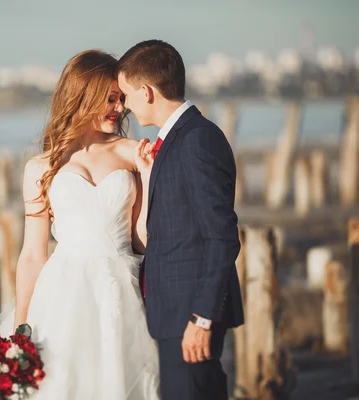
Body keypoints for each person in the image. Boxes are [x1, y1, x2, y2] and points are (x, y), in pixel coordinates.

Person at [0, 49, 160, 400]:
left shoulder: (133, 153)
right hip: (63, 290)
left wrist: (147, 173)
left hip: (120, 291)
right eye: (110, 100)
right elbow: (33, 254)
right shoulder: (41, 167)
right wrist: (21, 327)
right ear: (83, 97)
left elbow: (142, 241)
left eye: (121, 99)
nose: (120, 108)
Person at [117, 39, 244, 400]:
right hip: (174, 312)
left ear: (146, 92)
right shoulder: (176, 139)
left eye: (126, 94)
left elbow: (222, 237)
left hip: (190, 314)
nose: (124, 104)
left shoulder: (196, 140)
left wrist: (202, 318)